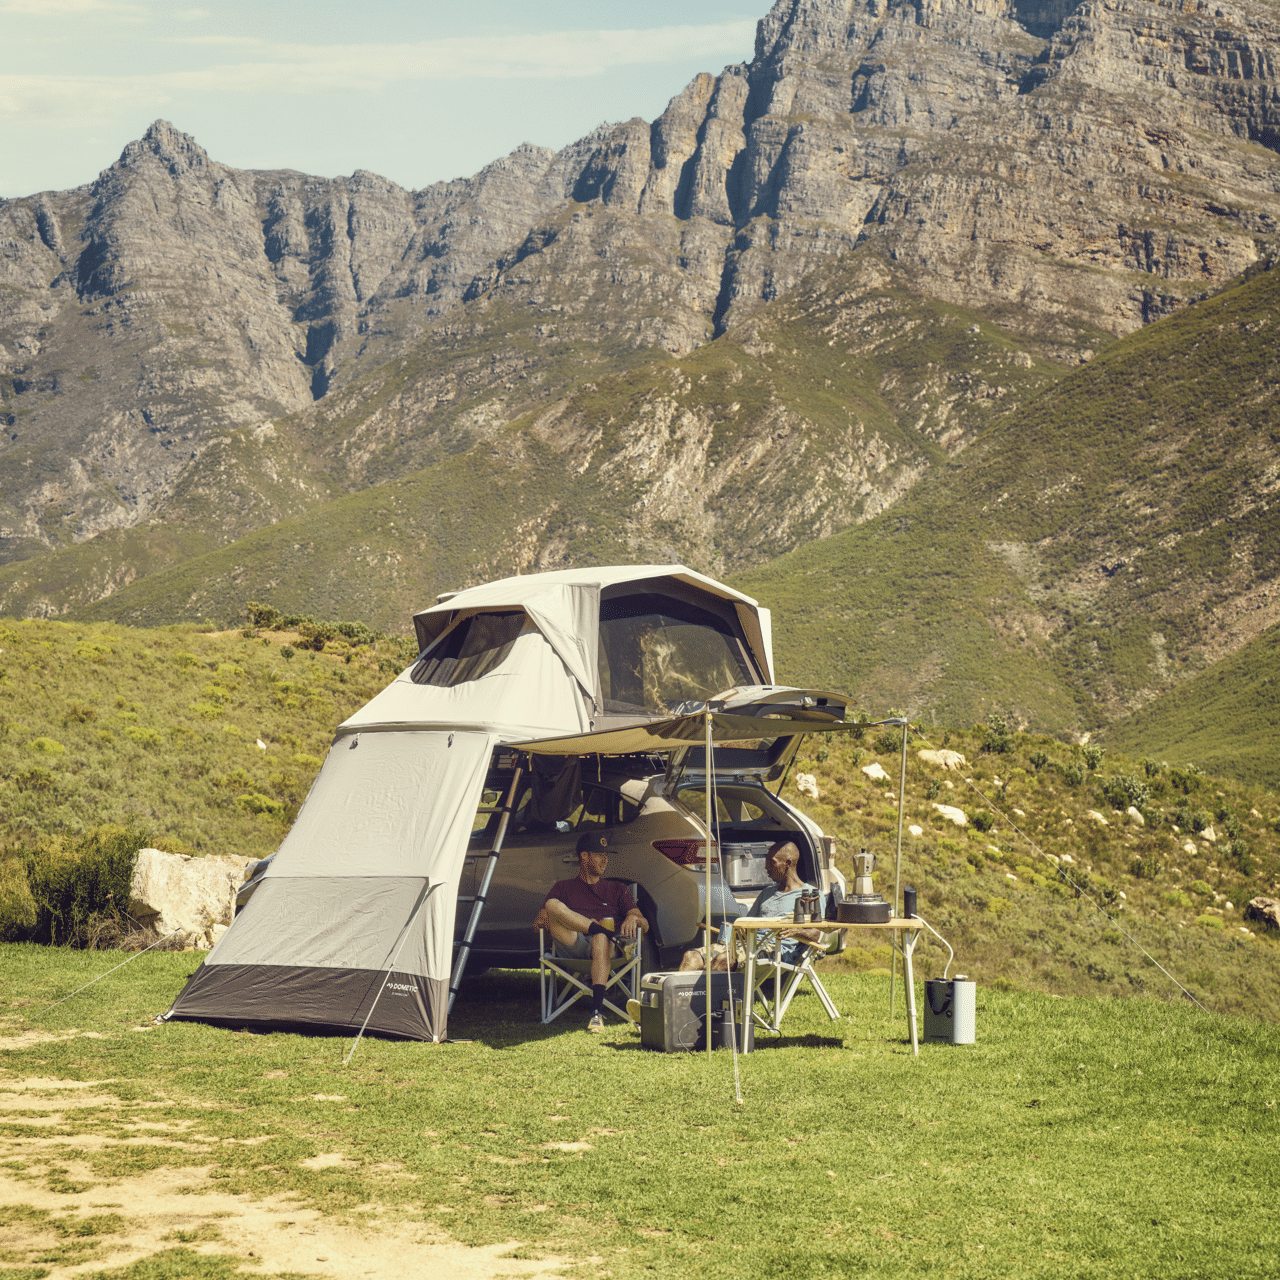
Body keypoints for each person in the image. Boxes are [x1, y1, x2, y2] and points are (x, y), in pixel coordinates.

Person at [534, 830, 648, 1032]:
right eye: (599, 855)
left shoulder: (618, 889)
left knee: (600, 937)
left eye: (606, 856)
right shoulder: (563, 887)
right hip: (574, 945)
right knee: (552, 904)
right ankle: (597, 928)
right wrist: (546, 918)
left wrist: (633, 917)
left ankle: (596, 1013)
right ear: (584, 856)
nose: (605, 860)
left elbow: (644, 924)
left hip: (608, 949)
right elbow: (539, 924)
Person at [679, 839, 823, 971]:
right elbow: (746, 923)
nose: (766, 867)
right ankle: (679, 992)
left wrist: (797, 931)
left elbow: (817, 934)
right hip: (746, 945)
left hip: (777, 951)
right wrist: (740, 929)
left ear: (788, 863)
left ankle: (708, 991)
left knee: (724, 959)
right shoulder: (767, 893)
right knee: (691, 957)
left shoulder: (810, 895)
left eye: (772, 862)